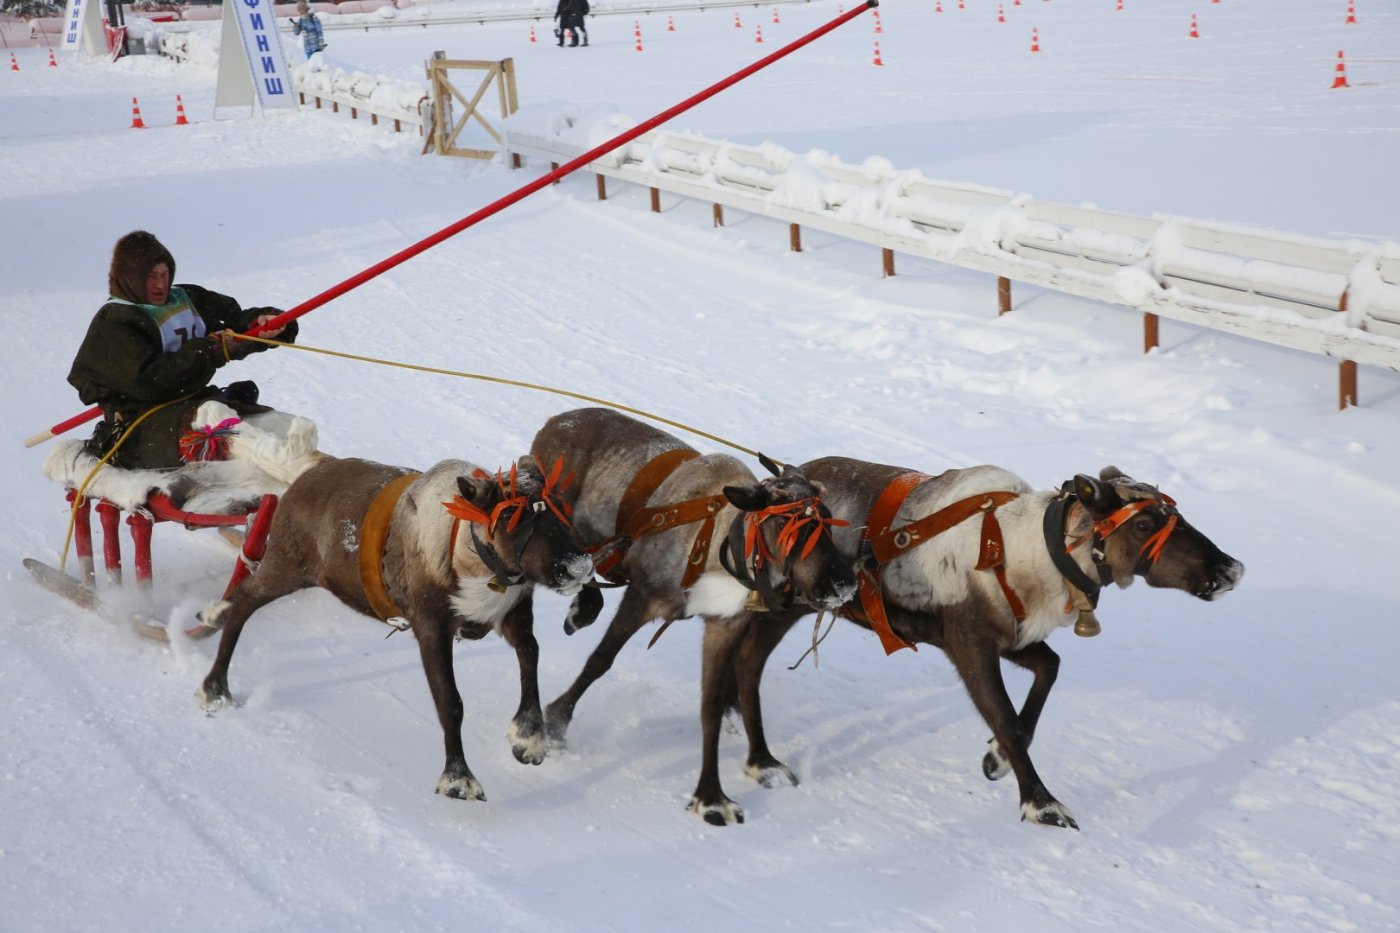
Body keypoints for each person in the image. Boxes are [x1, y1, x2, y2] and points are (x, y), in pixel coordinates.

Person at [67, 230, 299, 471]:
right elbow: (149, 381)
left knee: (274, 425)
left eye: (164, 275)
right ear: (130, 279)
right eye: (150, 277)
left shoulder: (186, 299)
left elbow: (234, 321)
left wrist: (264, 324)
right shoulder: (115, 322)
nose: (160, 284)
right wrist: (211, 351)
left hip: (195, 406)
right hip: (141, 428)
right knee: (219, 419)